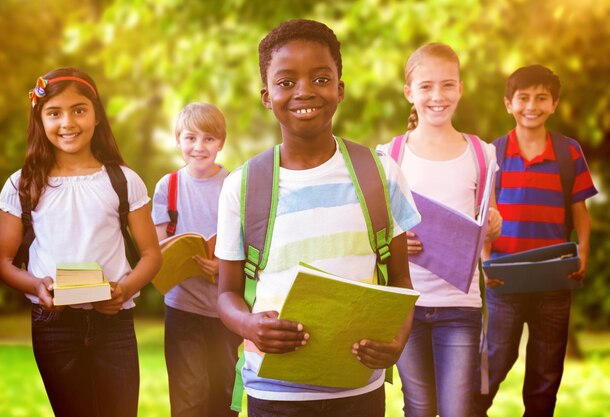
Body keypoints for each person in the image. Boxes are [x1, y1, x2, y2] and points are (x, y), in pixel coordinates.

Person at [214, 19, 421, 417]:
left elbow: (401, 282)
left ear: (340, 90)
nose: (304, 91)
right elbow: (226, 294)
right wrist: (248, 325)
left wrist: (397, 341)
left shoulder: (381, 174)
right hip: (274, 396)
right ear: (266, 95)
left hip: (358, 391)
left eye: (321, 78)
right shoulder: (241, 186)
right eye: (286, 82)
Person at [0, 67, 162, 417]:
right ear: (39, 119)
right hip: (54, 326)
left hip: (113, 323)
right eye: (54, 113)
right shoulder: (21, 184)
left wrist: (124, 289)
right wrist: (38, 286)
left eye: (79, 110)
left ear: (96, 115)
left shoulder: (123, 180)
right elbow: (5, 263)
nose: (67, 122)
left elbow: (150, 255)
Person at [377, 43, 502, 417]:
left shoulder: (482, 153)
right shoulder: (390, 155)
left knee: (457, 410)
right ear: (409, 93)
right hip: (407, 306)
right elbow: (377, 233)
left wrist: (494, 224)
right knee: (418, 408)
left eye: (447, 85)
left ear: (460, 89)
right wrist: (397, 242)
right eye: (426, 86)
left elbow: (487, 220)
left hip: (460, 307)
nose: (437, 96)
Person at [473, 64, 598, 417]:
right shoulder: (492, 154)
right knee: (494, 360)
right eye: (523, 98)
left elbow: (580, 210)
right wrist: (485, 262)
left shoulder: (567, 152)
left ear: (554, 104)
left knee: (546, 371)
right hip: (504, 278)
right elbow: (485, 216)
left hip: (554, 281)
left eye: (542, 98)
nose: (532, 105)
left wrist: (583, 250)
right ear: (508, 104)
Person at [151, 102, 242, 417]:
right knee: (188, 397)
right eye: (190, 138)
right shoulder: (168, 186)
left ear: (221, 143)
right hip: (183, 308)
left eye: (208, 139)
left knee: (224, 394)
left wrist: (222, 265)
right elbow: (158, 247)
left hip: (225, 309)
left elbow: (249, 245)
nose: (198, 147)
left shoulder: (234, 185)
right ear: (178, 141)